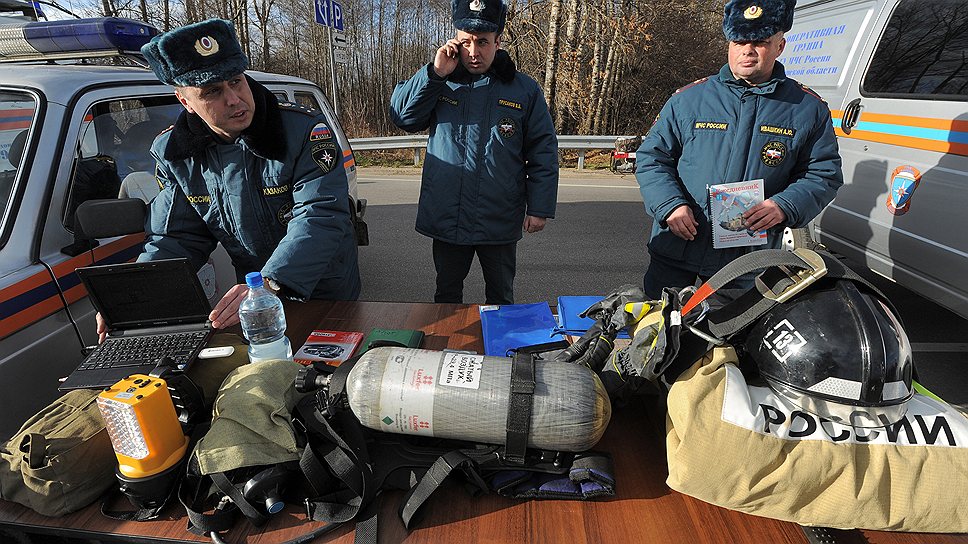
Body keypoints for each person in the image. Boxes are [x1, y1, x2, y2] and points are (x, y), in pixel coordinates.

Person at [98, 19, 360, 341]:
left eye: (236, 82)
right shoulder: (176, 154)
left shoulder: (302, 131)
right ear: (185, 101)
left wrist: (271, 282)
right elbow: (175, 238)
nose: (234, 99)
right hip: (253, 298)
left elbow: (321, 215)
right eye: (213, 91)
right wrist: (137, 293)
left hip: (322, 288)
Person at [635, 0, 843, 299]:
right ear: (729, 45)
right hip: (676, 249)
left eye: (759, 42)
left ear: (780, 46)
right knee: (660, 335)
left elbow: (823, 174)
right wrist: (670, 206)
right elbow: (652, 158)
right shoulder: (689, 100)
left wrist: (783, 205)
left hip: (746, 260)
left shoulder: (807, 108)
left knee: (730, 341)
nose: (747, 50)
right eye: (739, 41)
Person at [389, 0, 558, 305]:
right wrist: (435, 72)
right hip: (448, 216)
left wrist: (539, 206)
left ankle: (501, 353)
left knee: (501, 297)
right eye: (465, 41)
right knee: (447, 296)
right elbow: (403, 117)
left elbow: (543, 149)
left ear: (498, 41)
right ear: (455, 39)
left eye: (482, 42)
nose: (473, 51)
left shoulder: (523, 89)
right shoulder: (440, 81)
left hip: (499, 217)